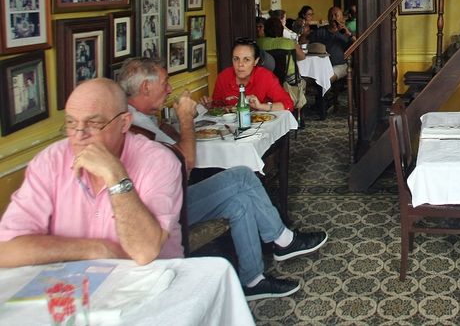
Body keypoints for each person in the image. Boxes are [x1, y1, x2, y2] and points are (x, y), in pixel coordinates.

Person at [117, 58, 327, 301]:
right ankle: (283, 239)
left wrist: (175, 124)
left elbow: (169, 144)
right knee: (242, 177)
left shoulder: (140, 118)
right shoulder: (135, 127)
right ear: (145, 87)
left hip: (172, 200)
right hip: (161, 214)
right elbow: (183, 165)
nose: (169, 89)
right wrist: (186, 120)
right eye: (165, 83)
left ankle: (253, 279)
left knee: (240, 202)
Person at [0, 78, 183, 267]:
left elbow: (144, 252)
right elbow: (6, 249)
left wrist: (116, 177)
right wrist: (95, 249)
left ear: (124, 123)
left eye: (94, 123)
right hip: (73, 286)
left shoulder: (158, 161)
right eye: (71, 123)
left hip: (153, 284)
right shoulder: (50, 161)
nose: (79, 136)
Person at [203, 38, 294, 111]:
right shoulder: (223, 77)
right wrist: (210, 104)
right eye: (236, 59)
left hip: (260, 127)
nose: (240, 64)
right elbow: (217, 104)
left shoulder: (265, 77)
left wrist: (261, 106)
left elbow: (288, 104)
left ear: (255, 61)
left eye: (246, 59)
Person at [308, 6, 356, 81]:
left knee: (326, 79)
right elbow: (305, 41)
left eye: (336, 15)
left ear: (342, 18)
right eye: (331, 15)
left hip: (341, 65)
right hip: (322, 66)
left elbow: (358, 44)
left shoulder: (346, 32)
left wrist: (348, 34)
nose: (333, 18)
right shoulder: (321, 31)